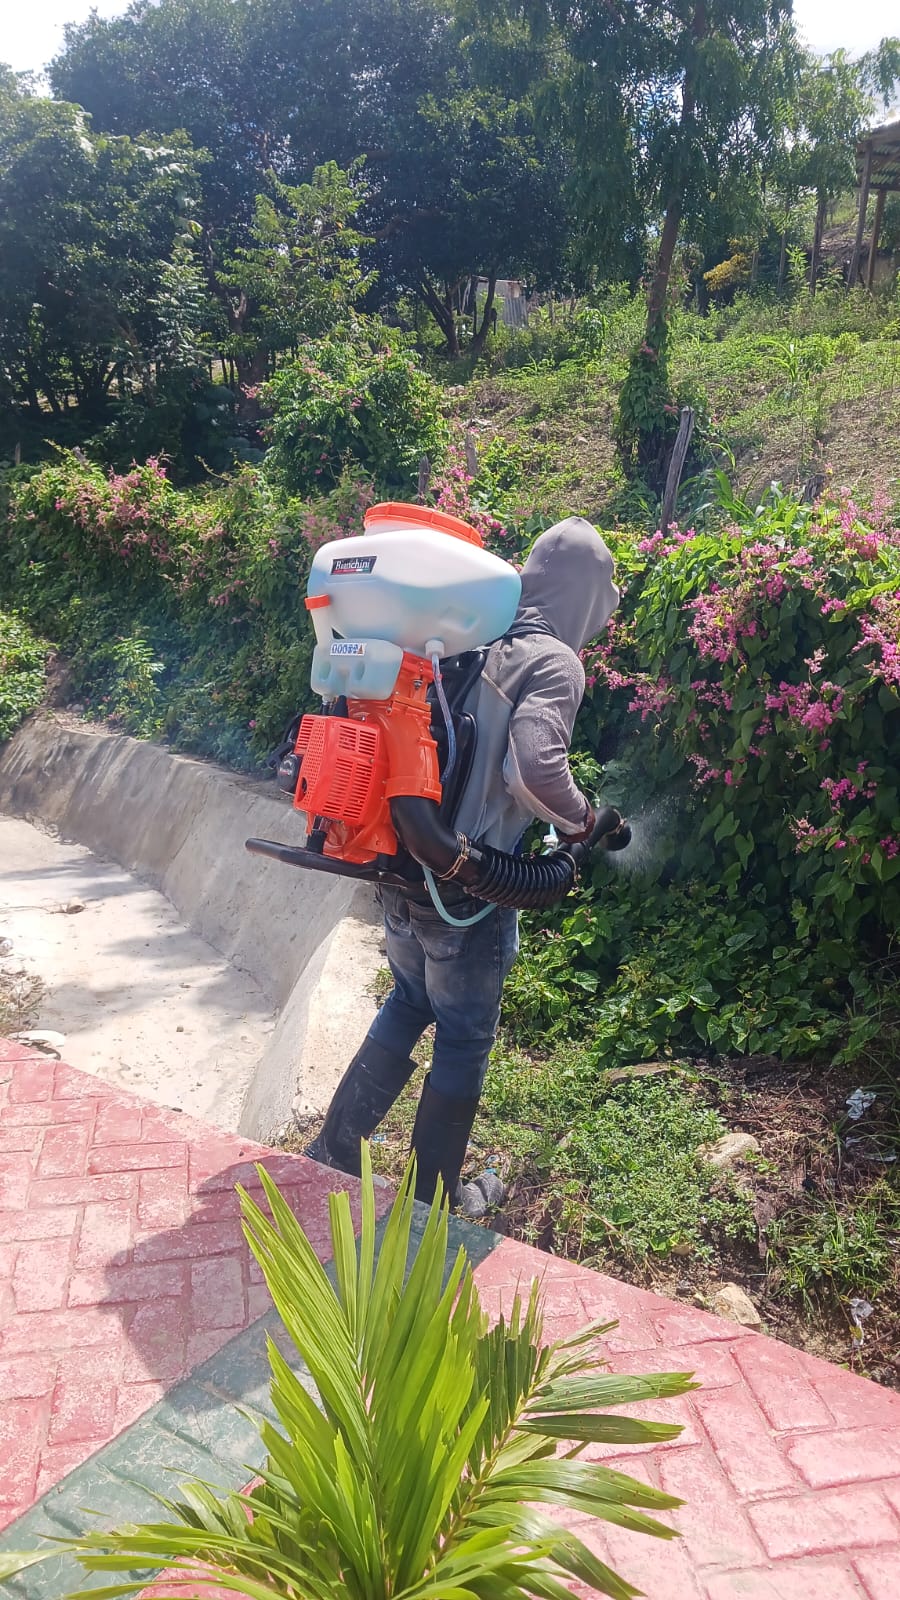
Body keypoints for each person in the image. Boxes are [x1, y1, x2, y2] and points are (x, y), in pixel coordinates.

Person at [305, 515, 620, 1212]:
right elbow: (535, 772)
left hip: (398, 866)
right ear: (588, 601)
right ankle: (431, 1206)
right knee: (465, 1036)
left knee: (411, 999)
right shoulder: (553, 660)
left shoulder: (467, 630)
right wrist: (584, 821)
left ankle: (330, 1154)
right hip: (465, 890)